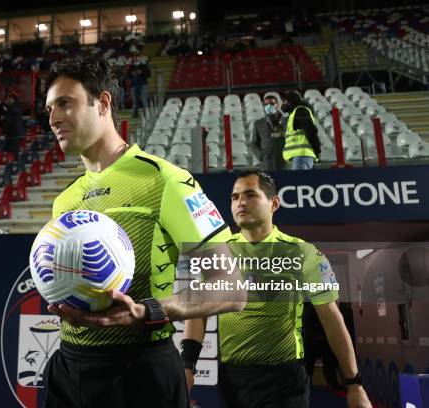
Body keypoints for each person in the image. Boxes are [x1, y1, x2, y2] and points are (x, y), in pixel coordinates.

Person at [42, 56, 246, 408]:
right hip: (69, 370)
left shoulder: (164, 179)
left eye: (65, 103)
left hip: (141, 372)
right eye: (48, 108)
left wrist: (150, 310)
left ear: (103, 103)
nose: (53, 118)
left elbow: (231, 288)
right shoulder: (65, 201)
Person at [183, 171, 372, 408]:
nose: (240, 202)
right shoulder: (218, 253)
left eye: (251, 194)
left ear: (274, 203)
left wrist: (354, 385)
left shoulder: (303, 252)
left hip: (286, 380)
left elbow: (331, 319)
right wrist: (188, 366)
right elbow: (199, 312)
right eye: (234, 197)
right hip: (232, 380)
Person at [281, 91, 321, 170]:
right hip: (299, 157)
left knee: (300, 181)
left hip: (302, 156)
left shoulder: (301, 111)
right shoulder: (293, 113)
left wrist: (317, 150)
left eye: (285, 101)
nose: (283, 104)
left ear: (291, 101)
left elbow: (311, 131)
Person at [250, 92, 286, 171]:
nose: (269, 106)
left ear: (277, 105)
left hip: (285, 162)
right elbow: (254, 143)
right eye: (266, 104)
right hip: (267, 163)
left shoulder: (286, 121)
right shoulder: (258, 123)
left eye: (272, 103)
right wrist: (261, 156)